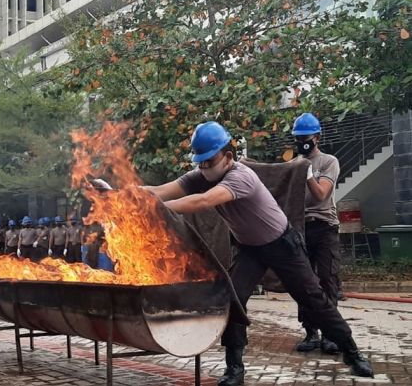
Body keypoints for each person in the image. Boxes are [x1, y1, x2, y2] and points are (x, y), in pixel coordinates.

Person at [141, 121, 372, 385]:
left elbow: (203, 201)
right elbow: (160, 191)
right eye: (200, 162)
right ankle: (234, 369)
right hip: (250, 249)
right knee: (234, 300)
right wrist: (127, 195)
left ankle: (352, 353)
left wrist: (160, 209)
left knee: (315, 300)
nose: (204, 167)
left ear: (227, 157)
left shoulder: (241, 177)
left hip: (283, 246)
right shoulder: (201, 176)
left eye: (209, 161)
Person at [291, 113, 343, 354]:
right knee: (304, 282)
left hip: (324, 228)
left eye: (306, 137)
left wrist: (308, 172)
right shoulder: (294, 164)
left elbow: (321, 195)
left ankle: (331, 334)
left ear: (317, 137)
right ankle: (311, 332)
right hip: (302, 229)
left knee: (327, 280)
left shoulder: (328, 162)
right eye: (298, 137)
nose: (302, 141)